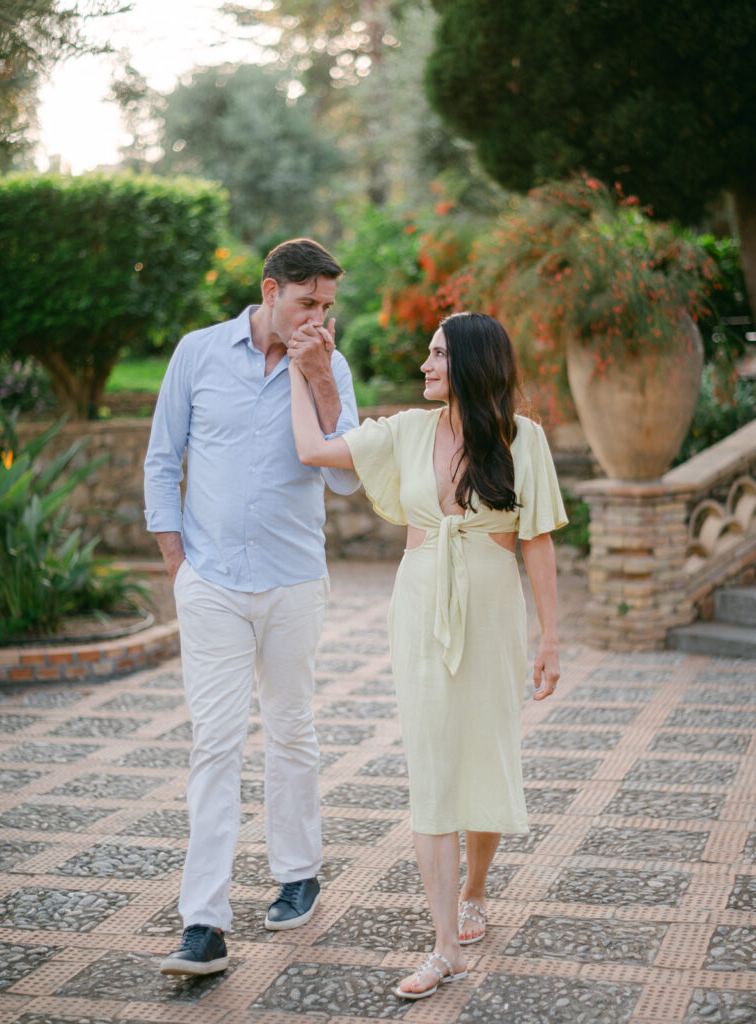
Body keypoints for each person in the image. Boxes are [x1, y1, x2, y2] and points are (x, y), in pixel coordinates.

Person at [289, 310, 567, 1000]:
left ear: (472, 363)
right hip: (418, 604)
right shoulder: (405, 431)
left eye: (439, 354)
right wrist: (300, 369)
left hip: (495, 610)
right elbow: (313, 451)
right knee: (434, 768)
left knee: (486, 753)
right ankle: (444, 945)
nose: (425, 365)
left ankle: (475, 890)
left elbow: (537, 541)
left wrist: (552, 639)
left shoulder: (521, 439)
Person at [143, 238, 359, 976]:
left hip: (294, 580)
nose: (319, 318)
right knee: (216, 742)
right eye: (307, 303)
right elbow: (162, 459)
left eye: (328, 306)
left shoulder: (330, 364)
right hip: (211, 583)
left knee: (292, 728)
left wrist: (320, 376)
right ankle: (203, 921)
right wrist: (180, 569)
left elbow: (348, 481)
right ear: (271, 292)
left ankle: (298, 872)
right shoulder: (198, 354)